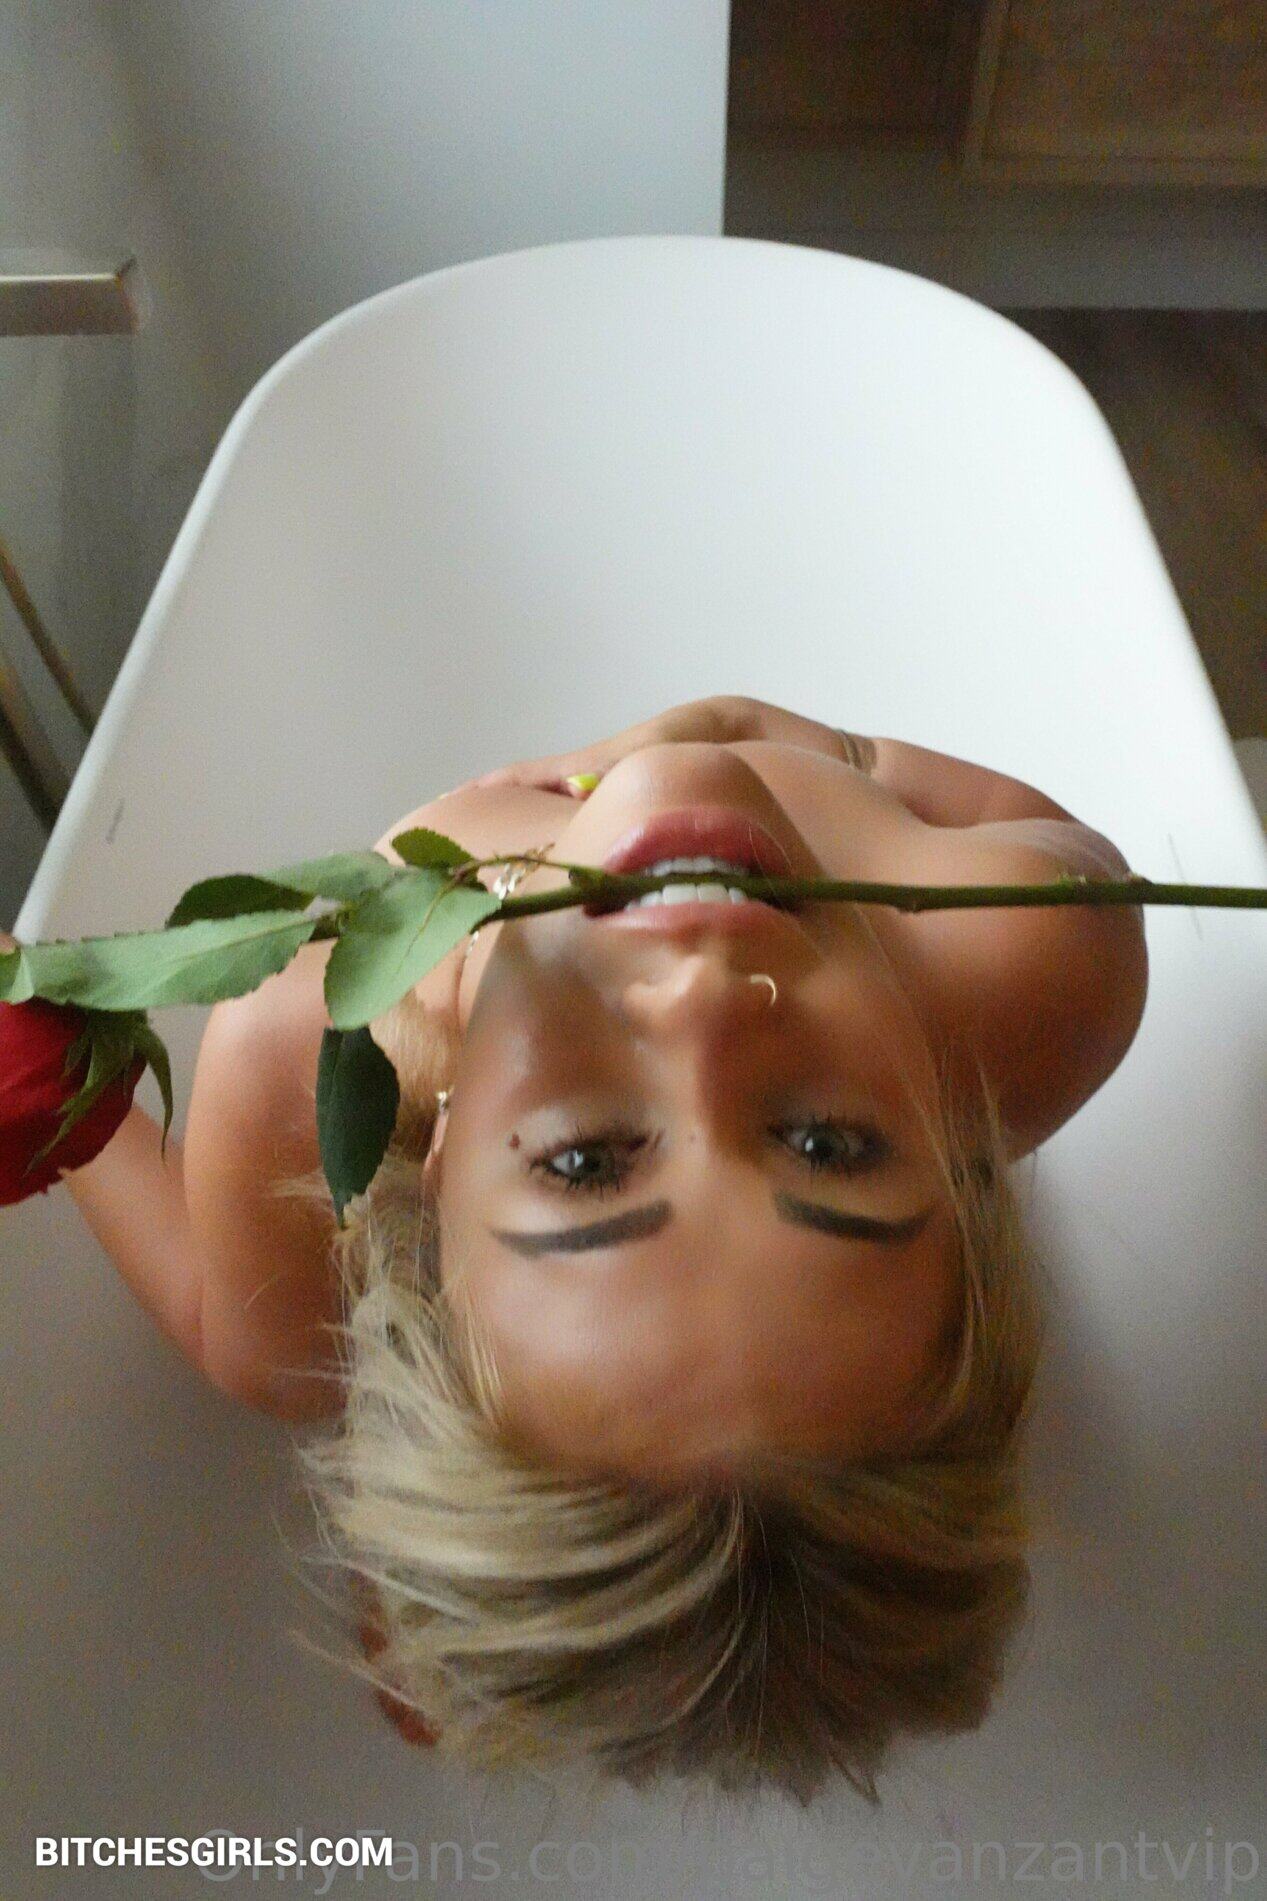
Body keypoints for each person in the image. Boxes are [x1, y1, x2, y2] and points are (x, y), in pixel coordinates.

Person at [61, 694, 1149, 1803]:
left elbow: (214, 1317)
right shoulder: (1035, 959)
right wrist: (812, 748)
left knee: (275, 1356)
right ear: (958, 1161)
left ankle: (448, 1559)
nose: (702, 999)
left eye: (584, 1161)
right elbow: (1054, 837)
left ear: (434, 1178)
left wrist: (43, 1067)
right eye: (825, 1143)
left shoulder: (301, 1033)